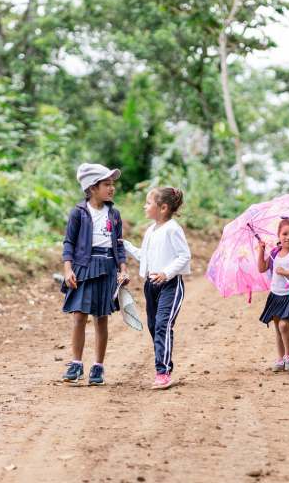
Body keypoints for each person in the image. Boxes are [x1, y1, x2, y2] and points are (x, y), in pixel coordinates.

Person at [60, 163, 128, 386]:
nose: (112, 188)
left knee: (101, 318)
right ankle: (76, 363)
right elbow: (69, 242)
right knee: (79, 316)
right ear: (92, 188)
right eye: (107, 184)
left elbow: (118, 245)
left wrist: (123, 269)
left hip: (107, 268)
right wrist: (68, 268)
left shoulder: (114, 215)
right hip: (83, 267)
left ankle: (98, 367)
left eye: (112, 184)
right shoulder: (79, 213)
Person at [136, 187, 191, 390]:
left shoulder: (173, 228)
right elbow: (145, 256)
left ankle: (163, 371)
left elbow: (184, 256)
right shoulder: (151, 230)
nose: (145, 206)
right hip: (151, 285)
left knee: (162, 325)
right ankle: (163, 363)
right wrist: (124, 246)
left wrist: (166, 273)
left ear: (163, 208)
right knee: (153, 326)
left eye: (148, 203)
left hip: (170, 285)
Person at [256, 218, 289, 373]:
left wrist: (285, 272)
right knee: (278, 329)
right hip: (276, 294)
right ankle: (280, 358)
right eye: (284, 233)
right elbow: (262, 268)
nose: (288, 237)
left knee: (284, 325)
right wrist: (261, 250)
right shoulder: (274, 252)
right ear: (279, 235)